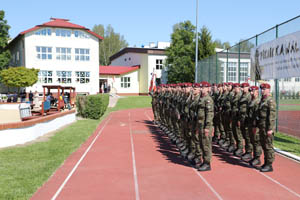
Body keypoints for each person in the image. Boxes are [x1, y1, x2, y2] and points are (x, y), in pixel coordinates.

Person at [257, 83, 276, 172]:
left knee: (268, 146)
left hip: (267, 127)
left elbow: (271, 116)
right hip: (262, 126)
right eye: (262, 89)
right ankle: (266, 162)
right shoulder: (262, 100)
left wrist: (270, 129)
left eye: (264, 89)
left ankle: (269, 165)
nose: (262, 91)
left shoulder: (270, 101)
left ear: (269, 90)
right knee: (264, 145)